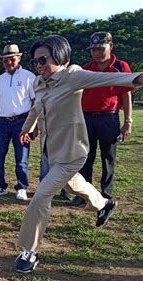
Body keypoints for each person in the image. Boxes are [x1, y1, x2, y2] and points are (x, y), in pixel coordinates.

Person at [16, 35, 142, 273]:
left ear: (60, 56)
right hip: (51, 151)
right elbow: (36, 108)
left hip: (72, 152)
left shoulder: (72, 76)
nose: (39, 65)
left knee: (41, 196)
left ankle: (29, 251)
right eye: (35, 62)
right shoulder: (39, 83)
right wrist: (27, 129)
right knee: (73, 185)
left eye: (43, 59)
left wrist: (136, 78)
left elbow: (110, 78)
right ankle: (104, 203)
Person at [70, 31, 134, 206]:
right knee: (85, 157)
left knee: (108, 158)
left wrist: (128, 121)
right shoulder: (86, 68)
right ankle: (84, 195)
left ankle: (106, 194)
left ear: (110, 46)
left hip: (109, 118)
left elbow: (126, 95)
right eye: (93, 49)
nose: (96, 53)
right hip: (86, 118)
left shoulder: (120, 67)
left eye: (100, 48)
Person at [0, 44, 36, 201]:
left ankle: (22, 187)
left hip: (22, 121)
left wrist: (33, 126)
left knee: (21, 158)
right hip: (2, 122)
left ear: (19, 58)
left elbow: (35, 102)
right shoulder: (0, 80)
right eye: (5, 60)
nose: (9, 63)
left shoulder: (29, 77)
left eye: (12, 59)